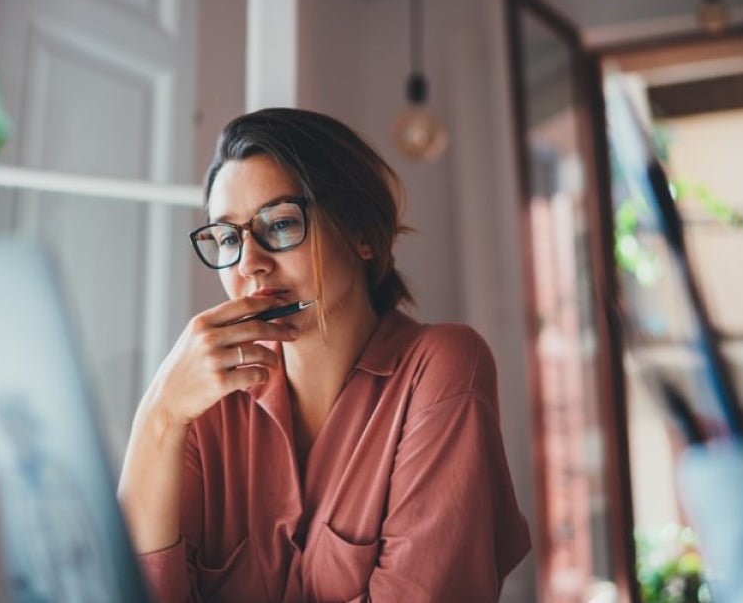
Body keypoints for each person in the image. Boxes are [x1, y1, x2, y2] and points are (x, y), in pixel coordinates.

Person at [118, 108, 530, 602]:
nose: (250, 262)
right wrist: (159, 416)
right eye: (228, 237)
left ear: (360, 233)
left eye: (282, 224)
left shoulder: (439, 368)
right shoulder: (204, 405)